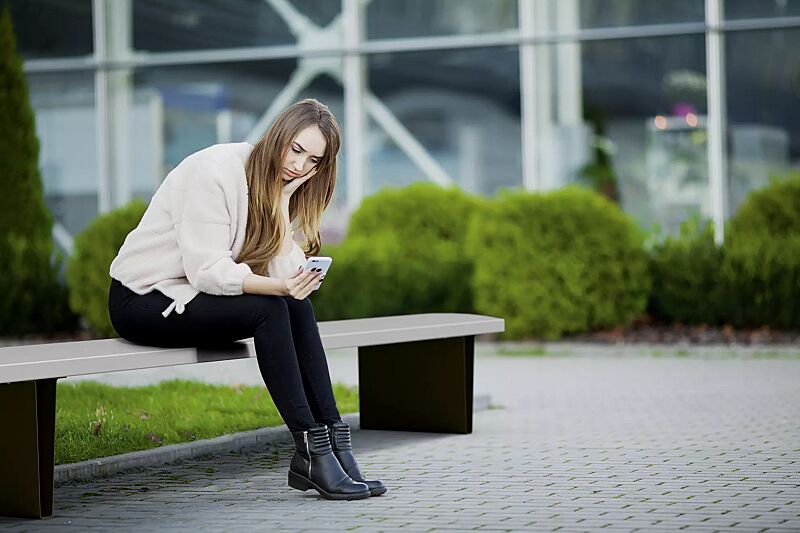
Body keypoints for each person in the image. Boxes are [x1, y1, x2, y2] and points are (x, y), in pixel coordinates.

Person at [107, 98, 385, 500]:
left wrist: (281, 204)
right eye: (296, 149)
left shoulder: (278, 186)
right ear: (278, 136)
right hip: (144, 298)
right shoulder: (215, 171)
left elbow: (284, 277)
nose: (300, 165)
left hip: (192, 296)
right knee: (271, 306)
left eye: (313, 160)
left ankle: (335, 446)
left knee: (294, 303)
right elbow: (207, 270)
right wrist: (281, 287)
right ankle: (309, 450)